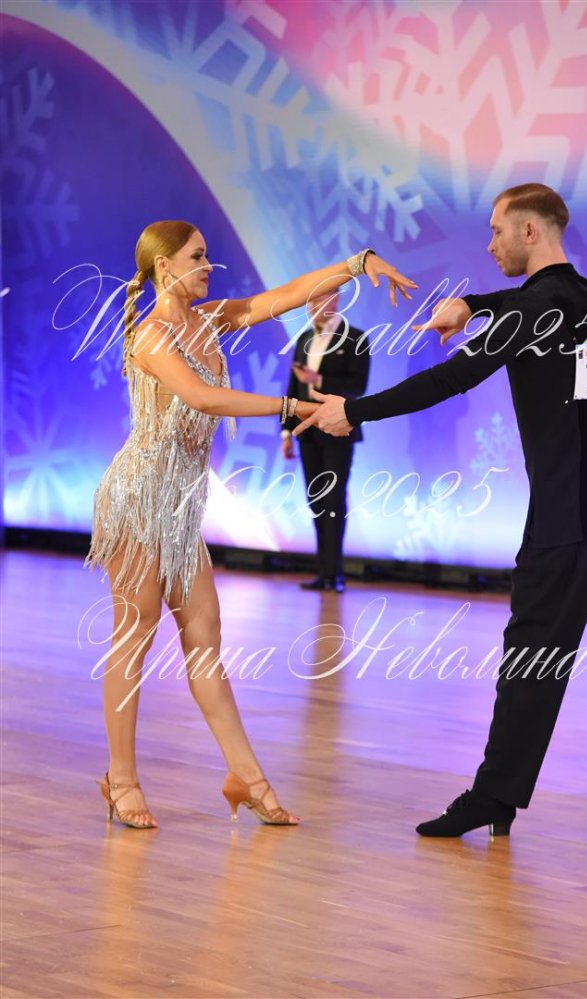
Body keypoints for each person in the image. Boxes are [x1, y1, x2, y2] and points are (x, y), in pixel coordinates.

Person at [295, 183, 587, 838]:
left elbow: (449, 379)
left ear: (531, 231)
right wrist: (473, 304)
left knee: (531, 662)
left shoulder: (533, 311)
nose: (489, 243)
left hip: (570, 516)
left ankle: (494, 797)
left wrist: (352, 410)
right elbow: (530, 303)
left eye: (497, 230)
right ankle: (495, 796)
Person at [85, 221, 416, 829]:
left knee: (205, 639)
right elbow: (204, 399)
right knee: (134, 638)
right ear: (165, 266)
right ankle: (121, 779)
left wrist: (355, 263)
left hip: (181, 510)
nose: (209, 266)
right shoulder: (152, 334)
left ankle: (247, 776)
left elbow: (278, 299)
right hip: (138, 501)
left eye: (208, 255)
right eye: (198, 256)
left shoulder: (209, 320)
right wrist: (292, 405)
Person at [281, 291, 370, 592]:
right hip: (307, 431)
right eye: (310, 301)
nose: (314, 307)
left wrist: (317, 381)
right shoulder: (305, 339)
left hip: (338, 430)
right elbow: (292, 389)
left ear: (336, 300)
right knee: (316, 500)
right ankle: (323, 572)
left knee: (333, 499)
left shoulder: (355, 338)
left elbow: (357, 387)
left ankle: (336, 574)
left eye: (320, 299)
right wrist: (286, 432)